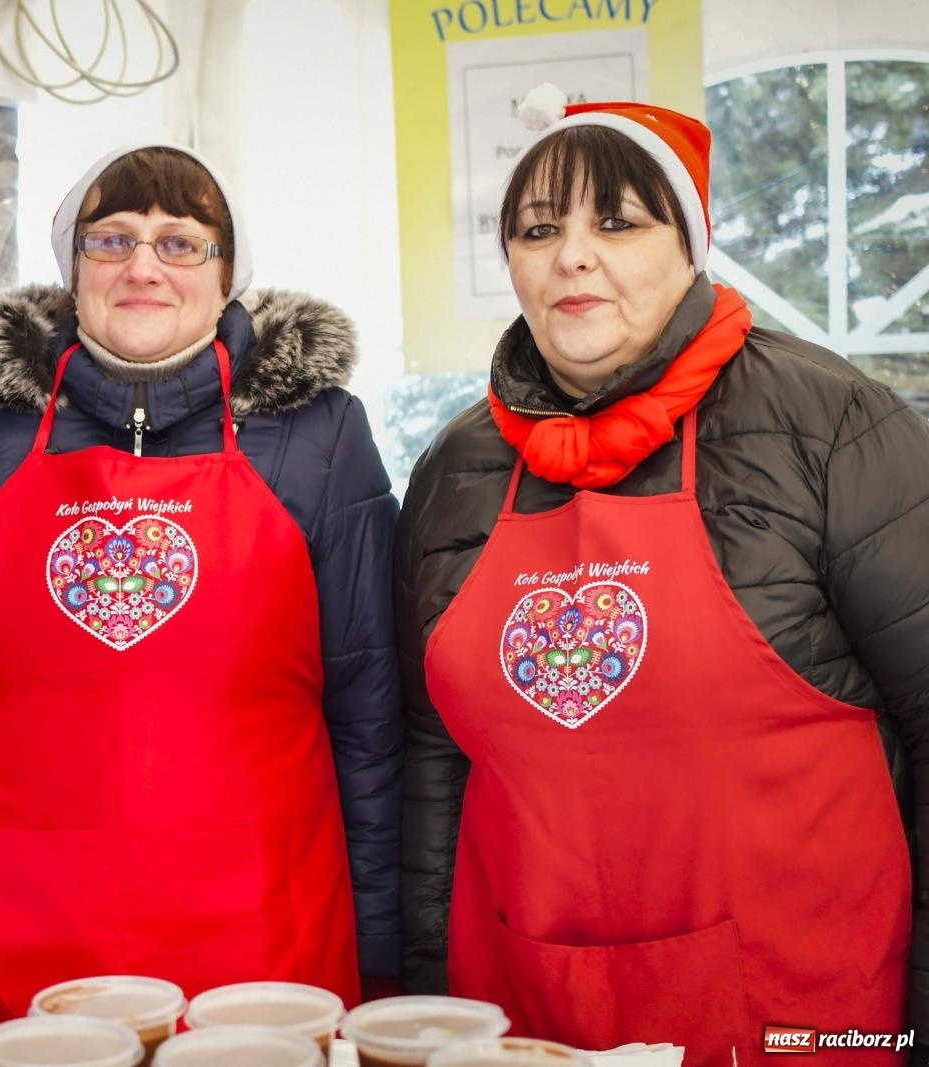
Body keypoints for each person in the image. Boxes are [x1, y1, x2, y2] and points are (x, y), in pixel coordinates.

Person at [396, 85, 928, 1063]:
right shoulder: (456, 468)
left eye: (617, 221)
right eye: (538, 228)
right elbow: (433, 762)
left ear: (690, 246)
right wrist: (427, 1012)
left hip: (796, 1010)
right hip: (523, 1016)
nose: (572, 255)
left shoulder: (832, 426)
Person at [0, 144, 401, 1021]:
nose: (142, 267)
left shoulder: (318, 438)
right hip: (10, 940)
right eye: (112, 239)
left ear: (228, 274)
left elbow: (371, 716)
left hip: (261, 946)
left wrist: (386, 950)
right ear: (73, 265)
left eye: (181, 243)